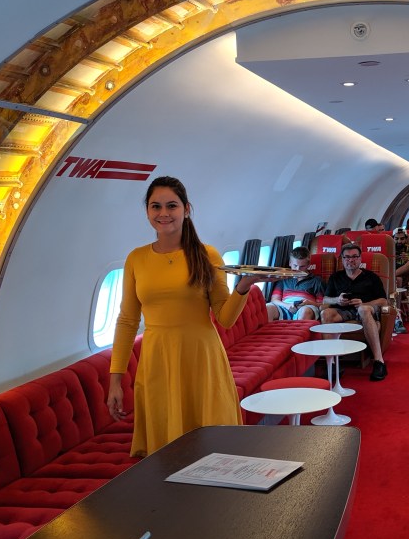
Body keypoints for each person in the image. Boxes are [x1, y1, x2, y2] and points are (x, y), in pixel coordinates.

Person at [107, 176, 262, 457]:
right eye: (155, 206)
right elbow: (127, 321)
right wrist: (115, 380)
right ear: (147, 211)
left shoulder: (207, 255)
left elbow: (225, 318)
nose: (163, 213)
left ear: (186, 209)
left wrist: (243, 287)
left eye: (172, 205)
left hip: (202, 357)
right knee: (167, 452)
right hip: (157, 361)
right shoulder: (136, 259)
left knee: (211, 446)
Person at [322, 243, 390, 380]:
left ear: (360, 259)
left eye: (354, 257)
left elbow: (384, 301)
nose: (350, 260)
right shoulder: (336, 277)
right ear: (342, 259)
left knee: (363, 309)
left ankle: (379, 361)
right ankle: (332, 362)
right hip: (343, 310)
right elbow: (325, 299)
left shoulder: (371, 277)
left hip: (367, 310)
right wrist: (337, 300)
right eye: (347, 257)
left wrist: (364, 303)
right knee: (325, 313)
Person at [267, 246, 324, 321]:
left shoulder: (316, 281)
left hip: (307, 307)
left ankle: (299, 328)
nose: (298, 269)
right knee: (268, 307)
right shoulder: (284, 278)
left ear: (308, 265)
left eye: (302, 266)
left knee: (305, 311)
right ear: (290, 263)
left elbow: (322, 305)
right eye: (295, 265)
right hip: (285, 306)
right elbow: (274, 300)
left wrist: (309, 303)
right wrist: (287, 306)